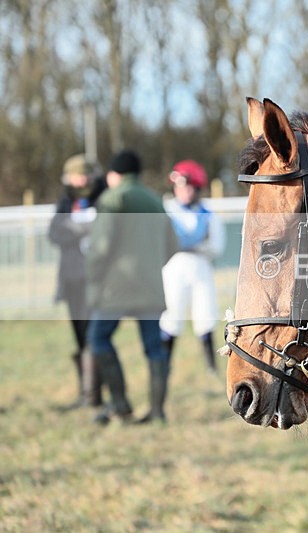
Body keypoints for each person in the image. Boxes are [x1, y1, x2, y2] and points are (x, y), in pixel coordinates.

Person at [86, 150, 177, 425]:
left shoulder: (112, 198)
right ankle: (158, 411)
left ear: (115, 174)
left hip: (116, 288)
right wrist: (150, 267)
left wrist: (92, 276)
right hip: (150, 286)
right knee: (154, 348)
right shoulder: (154, 199)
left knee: (98, 339)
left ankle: (120, 404)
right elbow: (172, 245)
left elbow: (100, 248)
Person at [48, 154, 107, 409]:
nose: (81, 180)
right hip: (72, 279)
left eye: (84, 174)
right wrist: (78, 230)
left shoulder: (102, 198)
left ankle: (95, 395)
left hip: (96, 279)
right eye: (76, 175)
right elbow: (55, 232)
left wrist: (79, 229)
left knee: (95, 336)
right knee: (80, 337)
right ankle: (86, 393)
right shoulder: (65, 201)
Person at [159, 160, 225, 374]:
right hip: (173, 270)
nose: (184, 191)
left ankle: (211, 367)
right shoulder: (166, 211)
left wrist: (189, 244)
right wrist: (195, 243)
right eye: (179, 187)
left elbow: (216, 246)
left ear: (197, 188)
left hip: (200, 270)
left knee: (205, 316)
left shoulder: (208, 214)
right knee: (171, 316)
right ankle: (164, 364)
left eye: (188, 187)